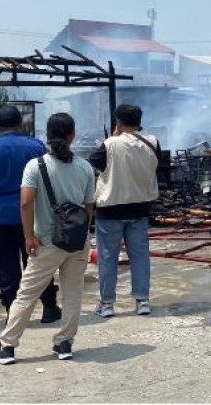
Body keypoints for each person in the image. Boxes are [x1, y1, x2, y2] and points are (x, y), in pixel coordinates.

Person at [0, 113, 94, 365]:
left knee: (26, 295)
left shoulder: (36, 166)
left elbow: (25, 202)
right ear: (72, 136)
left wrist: (29, 236)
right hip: (77, 242)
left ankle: (7, 346)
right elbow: (89, 206)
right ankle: (64, 343)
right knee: (72, 294)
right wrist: (78, 233)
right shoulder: (85, 167)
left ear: (47, 135)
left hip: (46, 242)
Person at [0, 106, 61, 323]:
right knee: (38, 264)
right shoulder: (36, 147)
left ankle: (12, 311)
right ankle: (49, 307)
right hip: (33, 217)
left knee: (5, 268)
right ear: (21, 124)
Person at [89, 104, 160, 318]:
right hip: (140, 208)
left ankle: (107, 304)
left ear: (118, 122)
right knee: (140, 256)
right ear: (139, 121)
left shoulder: (109, 144)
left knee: (108, 257)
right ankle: (142, 301)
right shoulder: (152, 142)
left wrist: (114, 137)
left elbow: (94, 165)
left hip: (111, 209)